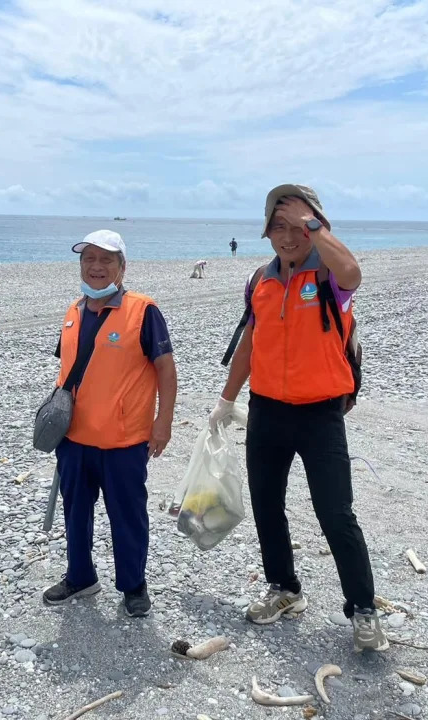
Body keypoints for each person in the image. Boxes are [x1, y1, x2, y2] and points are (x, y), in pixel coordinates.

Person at [209, 184, 388, 652]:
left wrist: (314, 224)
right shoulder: (261, 280)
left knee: (335, 512)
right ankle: (284, 589)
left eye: (301, 226)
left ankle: (363, 609)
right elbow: (250, 343)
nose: (289, 236)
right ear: (267, 231)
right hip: (267, 410)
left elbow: (354, 271)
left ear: (318, 226)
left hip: (320, 415)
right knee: (268, 506)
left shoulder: (330, 276)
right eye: (278, 226)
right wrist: (226, 401)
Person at [43, 230, 177, 617]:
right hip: (75, 439)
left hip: (124, 440)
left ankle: (134, 585)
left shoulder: (143, 311)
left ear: (122, 267)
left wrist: (162, 423)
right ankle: (80, 576)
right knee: (75, 511)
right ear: (81, 265)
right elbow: (67, 371)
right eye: (90, 259)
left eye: (107, 260)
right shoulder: (73, 312)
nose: (97, 267)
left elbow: (166, 371)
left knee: (127, 515)